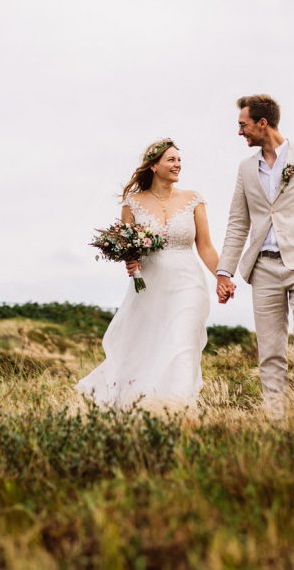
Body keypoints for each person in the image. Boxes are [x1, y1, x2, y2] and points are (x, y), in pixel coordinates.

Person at [216, 95, 294, 419]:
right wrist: (224, 271)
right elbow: (238, 222)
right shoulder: (245, 169)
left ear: (262, 123)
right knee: (269, 350)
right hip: (264, 266)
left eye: (243, 125)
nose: (240, 131)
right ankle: (276, 414)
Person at [76, 138, 220, 409]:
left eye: (179, 159)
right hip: (149, 286)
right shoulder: (133, 203)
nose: (178, 164)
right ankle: (143, 404)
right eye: (171, 159)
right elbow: (127, 246)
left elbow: (206, 246)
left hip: (189, 283)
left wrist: (223, 276)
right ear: (154, 166)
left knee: (181, 342)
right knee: (147, 347)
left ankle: (176, 406)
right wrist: (129, 260)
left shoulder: (194, 200)